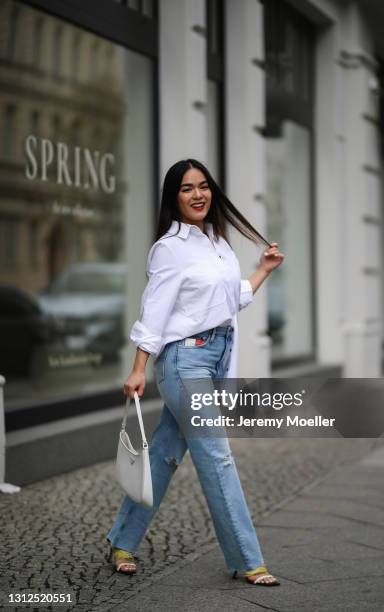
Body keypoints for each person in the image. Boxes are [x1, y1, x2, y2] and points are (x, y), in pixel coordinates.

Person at [106, 159, 285, 586]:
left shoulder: (217, 242)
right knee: (218, 458)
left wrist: (262, 270)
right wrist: (137, 368)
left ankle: (122, 540)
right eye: (187, 189)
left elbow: (227, 301)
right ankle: (248, 559)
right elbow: (155, 310)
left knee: (164, 456)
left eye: (204, 186)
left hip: (214, 357)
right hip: (185, 362)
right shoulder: (170, 247)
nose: (198, 195)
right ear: (174, 197)